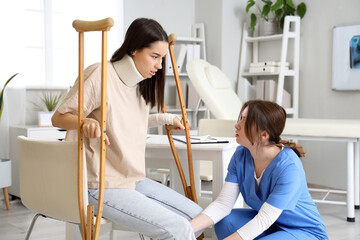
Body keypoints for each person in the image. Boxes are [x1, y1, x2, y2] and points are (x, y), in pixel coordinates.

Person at [52, 18, 202, 239]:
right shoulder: (100, 74)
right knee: (177, 229)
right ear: (133, 49)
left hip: (131, 179)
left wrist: (165, 118)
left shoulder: (138, 84)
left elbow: (125, 119)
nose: (159, 66)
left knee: (198, 217)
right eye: (155, 57)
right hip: (100, 184)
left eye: (162, 59)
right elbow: (59, 117)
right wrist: (85, 123)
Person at [190, 100, 329, 240]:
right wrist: (186, 230)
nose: (236, 125)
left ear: (263, 135)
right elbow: (222, 204)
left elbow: (264, 219)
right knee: (225, 221)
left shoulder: (289, 167)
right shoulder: (241, 155)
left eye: (245, 121)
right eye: (241, 118)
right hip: (272, 225)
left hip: (304, 231)